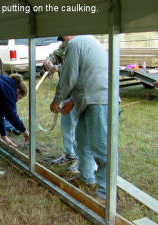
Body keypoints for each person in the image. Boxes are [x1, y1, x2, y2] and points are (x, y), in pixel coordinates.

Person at [49, 35, 110, 203]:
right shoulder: (87, 42)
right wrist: (73, 101)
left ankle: (105, 193)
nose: (63, 42)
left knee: (101, 147)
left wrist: (57, 100)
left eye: (63, 38)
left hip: (99, 100)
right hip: (88, 99)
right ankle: (86, 177)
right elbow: (88, 75)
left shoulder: (75, 44)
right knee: (82, 141)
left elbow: (69, 76)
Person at [44, 41, 79, 172]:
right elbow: (56, 55)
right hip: (67, 91)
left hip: (79, 92)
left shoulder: (79, 45)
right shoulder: (65, 45)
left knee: (78, 128)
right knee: (67, 124)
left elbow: (75, 68)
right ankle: (69, 154)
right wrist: (49, 61)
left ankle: (81, 160)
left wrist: (59, 68)